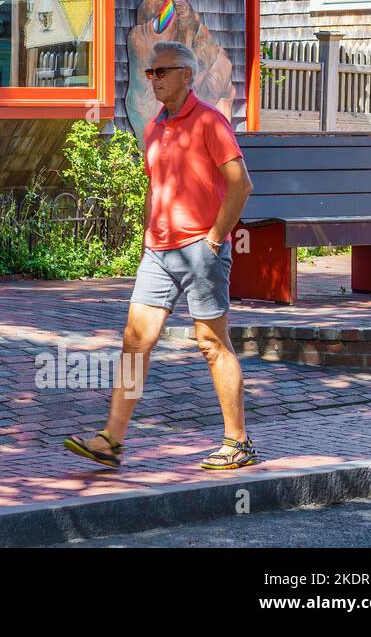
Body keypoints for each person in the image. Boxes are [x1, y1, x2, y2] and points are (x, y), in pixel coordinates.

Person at [63, 40, 258, 471]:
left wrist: (213, 240)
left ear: (187, 75)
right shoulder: (154, 127)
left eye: (162, 72)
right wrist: (148, 238)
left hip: (200, 249)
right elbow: (157, 187)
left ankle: (238, 442)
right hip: (159, 251)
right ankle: (111, 440)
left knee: (211, 343)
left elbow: (240, 184)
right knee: (135, 344)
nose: (153, 79)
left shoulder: (210, 122)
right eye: (150, 73)